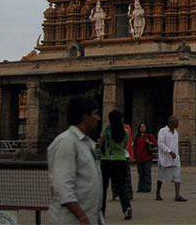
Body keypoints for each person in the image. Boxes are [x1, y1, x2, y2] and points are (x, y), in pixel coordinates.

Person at [47, 96, 103, 224]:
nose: (98, 118)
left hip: (90, 217)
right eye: (95, 114)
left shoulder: (87, 142)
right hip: (71, 220)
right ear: (85, 117)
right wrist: (82, 217)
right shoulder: (66, 142)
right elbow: (63, 187)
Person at [99, 109, 132, 220]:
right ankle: (126, 208)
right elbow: (123, 146)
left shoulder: (106, 130)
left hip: (107, 160)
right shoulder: (125, 131)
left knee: (103, 187)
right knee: (121, 186)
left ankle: (101, 212)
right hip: (121, 160)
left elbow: (100, 143)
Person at [156, 116, 187, 201]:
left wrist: (176, 153)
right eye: (176, 122)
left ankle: (177, 195)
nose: (177, 124)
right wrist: (169, 151)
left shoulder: (176, 133)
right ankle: (158, 193)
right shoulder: (162, 131)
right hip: (165, 158)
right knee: (161, 177)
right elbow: (160, 144)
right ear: (171, 122)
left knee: (177, 176)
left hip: (175, 159)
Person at [133, 123, 156, 193]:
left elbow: (155, 143)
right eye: (141, 127)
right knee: (140, 173)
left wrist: (149, 142)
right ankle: (141, 187)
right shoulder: (137, 137)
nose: (142, 128)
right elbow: (135, 147)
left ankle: (147, 187)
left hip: (147, 157)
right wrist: (134, 154)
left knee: (147, 173)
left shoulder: (149, 136)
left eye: (144, 127)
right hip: (139, 157)